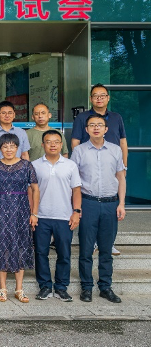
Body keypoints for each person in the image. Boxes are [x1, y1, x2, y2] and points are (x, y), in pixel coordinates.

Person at [71, 114, 126, 304]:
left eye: (99, 125)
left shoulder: (115, 150)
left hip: (111, 203)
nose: (96, 128)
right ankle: (86, 287)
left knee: (106, 249)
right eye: (92, 125)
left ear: (106, 129)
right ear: (86, 129)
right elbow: (74, 181)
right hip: (88, 203)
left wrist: (121, 203)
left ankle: (105, 287)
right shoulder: (79, 151)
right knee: (86, 249)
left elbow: (121, 177)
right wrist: (76, 208)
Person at [72, 84, 128, 257]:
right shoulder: (82, 118)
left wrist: (124, 166)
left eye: (102, 95)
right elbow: (75, 141)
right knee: (90, 209)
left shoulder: (116, 117)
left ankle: (108, 243)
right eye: (95, 95)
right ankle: (93, 243)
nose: (99, 98)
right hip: (88, 163)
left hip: (111, 163)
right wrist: (78, 165)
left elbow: (123, 142)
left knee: (110, 208)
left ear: (108, 98)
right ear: (91, 98)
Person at [0, 133, 39, 304]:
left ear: (18, 148)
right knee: (2, 244)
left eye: (12, 146)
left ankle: (19, 289)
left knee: (21, 245)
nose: (9, 149)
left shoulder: (26, 165)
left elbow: (35, 189)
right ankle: (2, 288)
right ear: (0, 149)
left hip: (21, 210)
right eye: (5, 146)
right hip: (0, 209)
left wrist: (34, 213)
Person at [32, 130, 82, 303]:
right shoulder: (34, 165)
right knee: (41, 252)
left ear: (61, 145)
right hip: (41, 216)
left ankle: (61, 287)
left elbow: (76, 190)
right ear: (43, 145)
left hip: (64, 216)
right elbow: (31, 191)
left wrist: (76, 212)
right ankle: (45, 286)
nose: (52, 145)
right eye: (48, 141)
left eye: (56, 142)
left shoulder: (70, 165)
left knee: (64, 253)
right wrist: (33, 213)